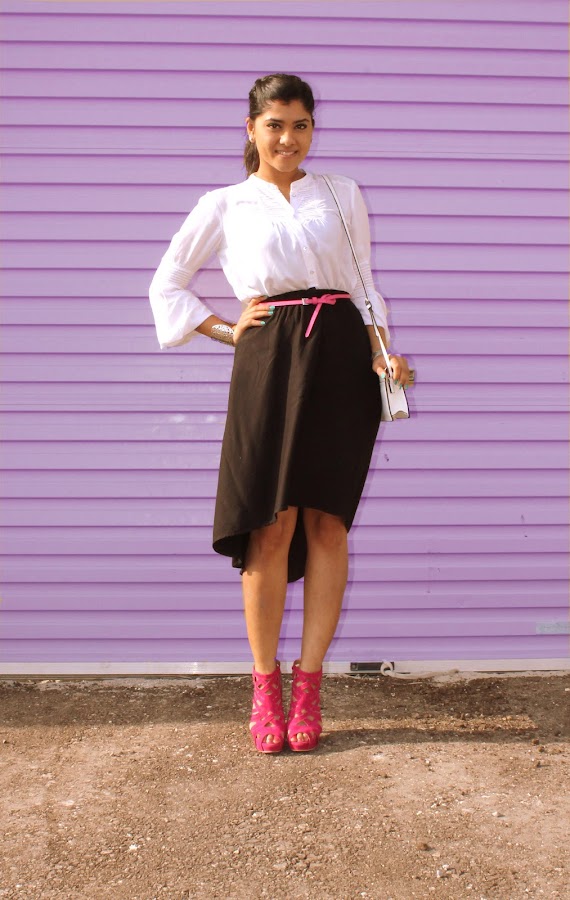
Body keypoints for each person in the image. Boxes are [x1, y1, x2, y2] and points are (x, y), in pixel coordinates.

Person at [149, 73, 410, 755]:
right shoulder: (224, 204)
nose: (289, 138)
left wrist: (383, 352)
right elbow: (167, 284)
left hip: (341, 358)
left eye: (301, 125)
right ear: (252, 129)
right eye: (275, 125)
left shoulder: (341, 193)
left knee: (327, 522)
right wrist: (224, 329)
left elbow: (362, 283)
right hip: (269, 360)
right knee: (270, 522)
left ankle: (309, 684)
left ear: (312, 128)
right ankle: (264, 684)